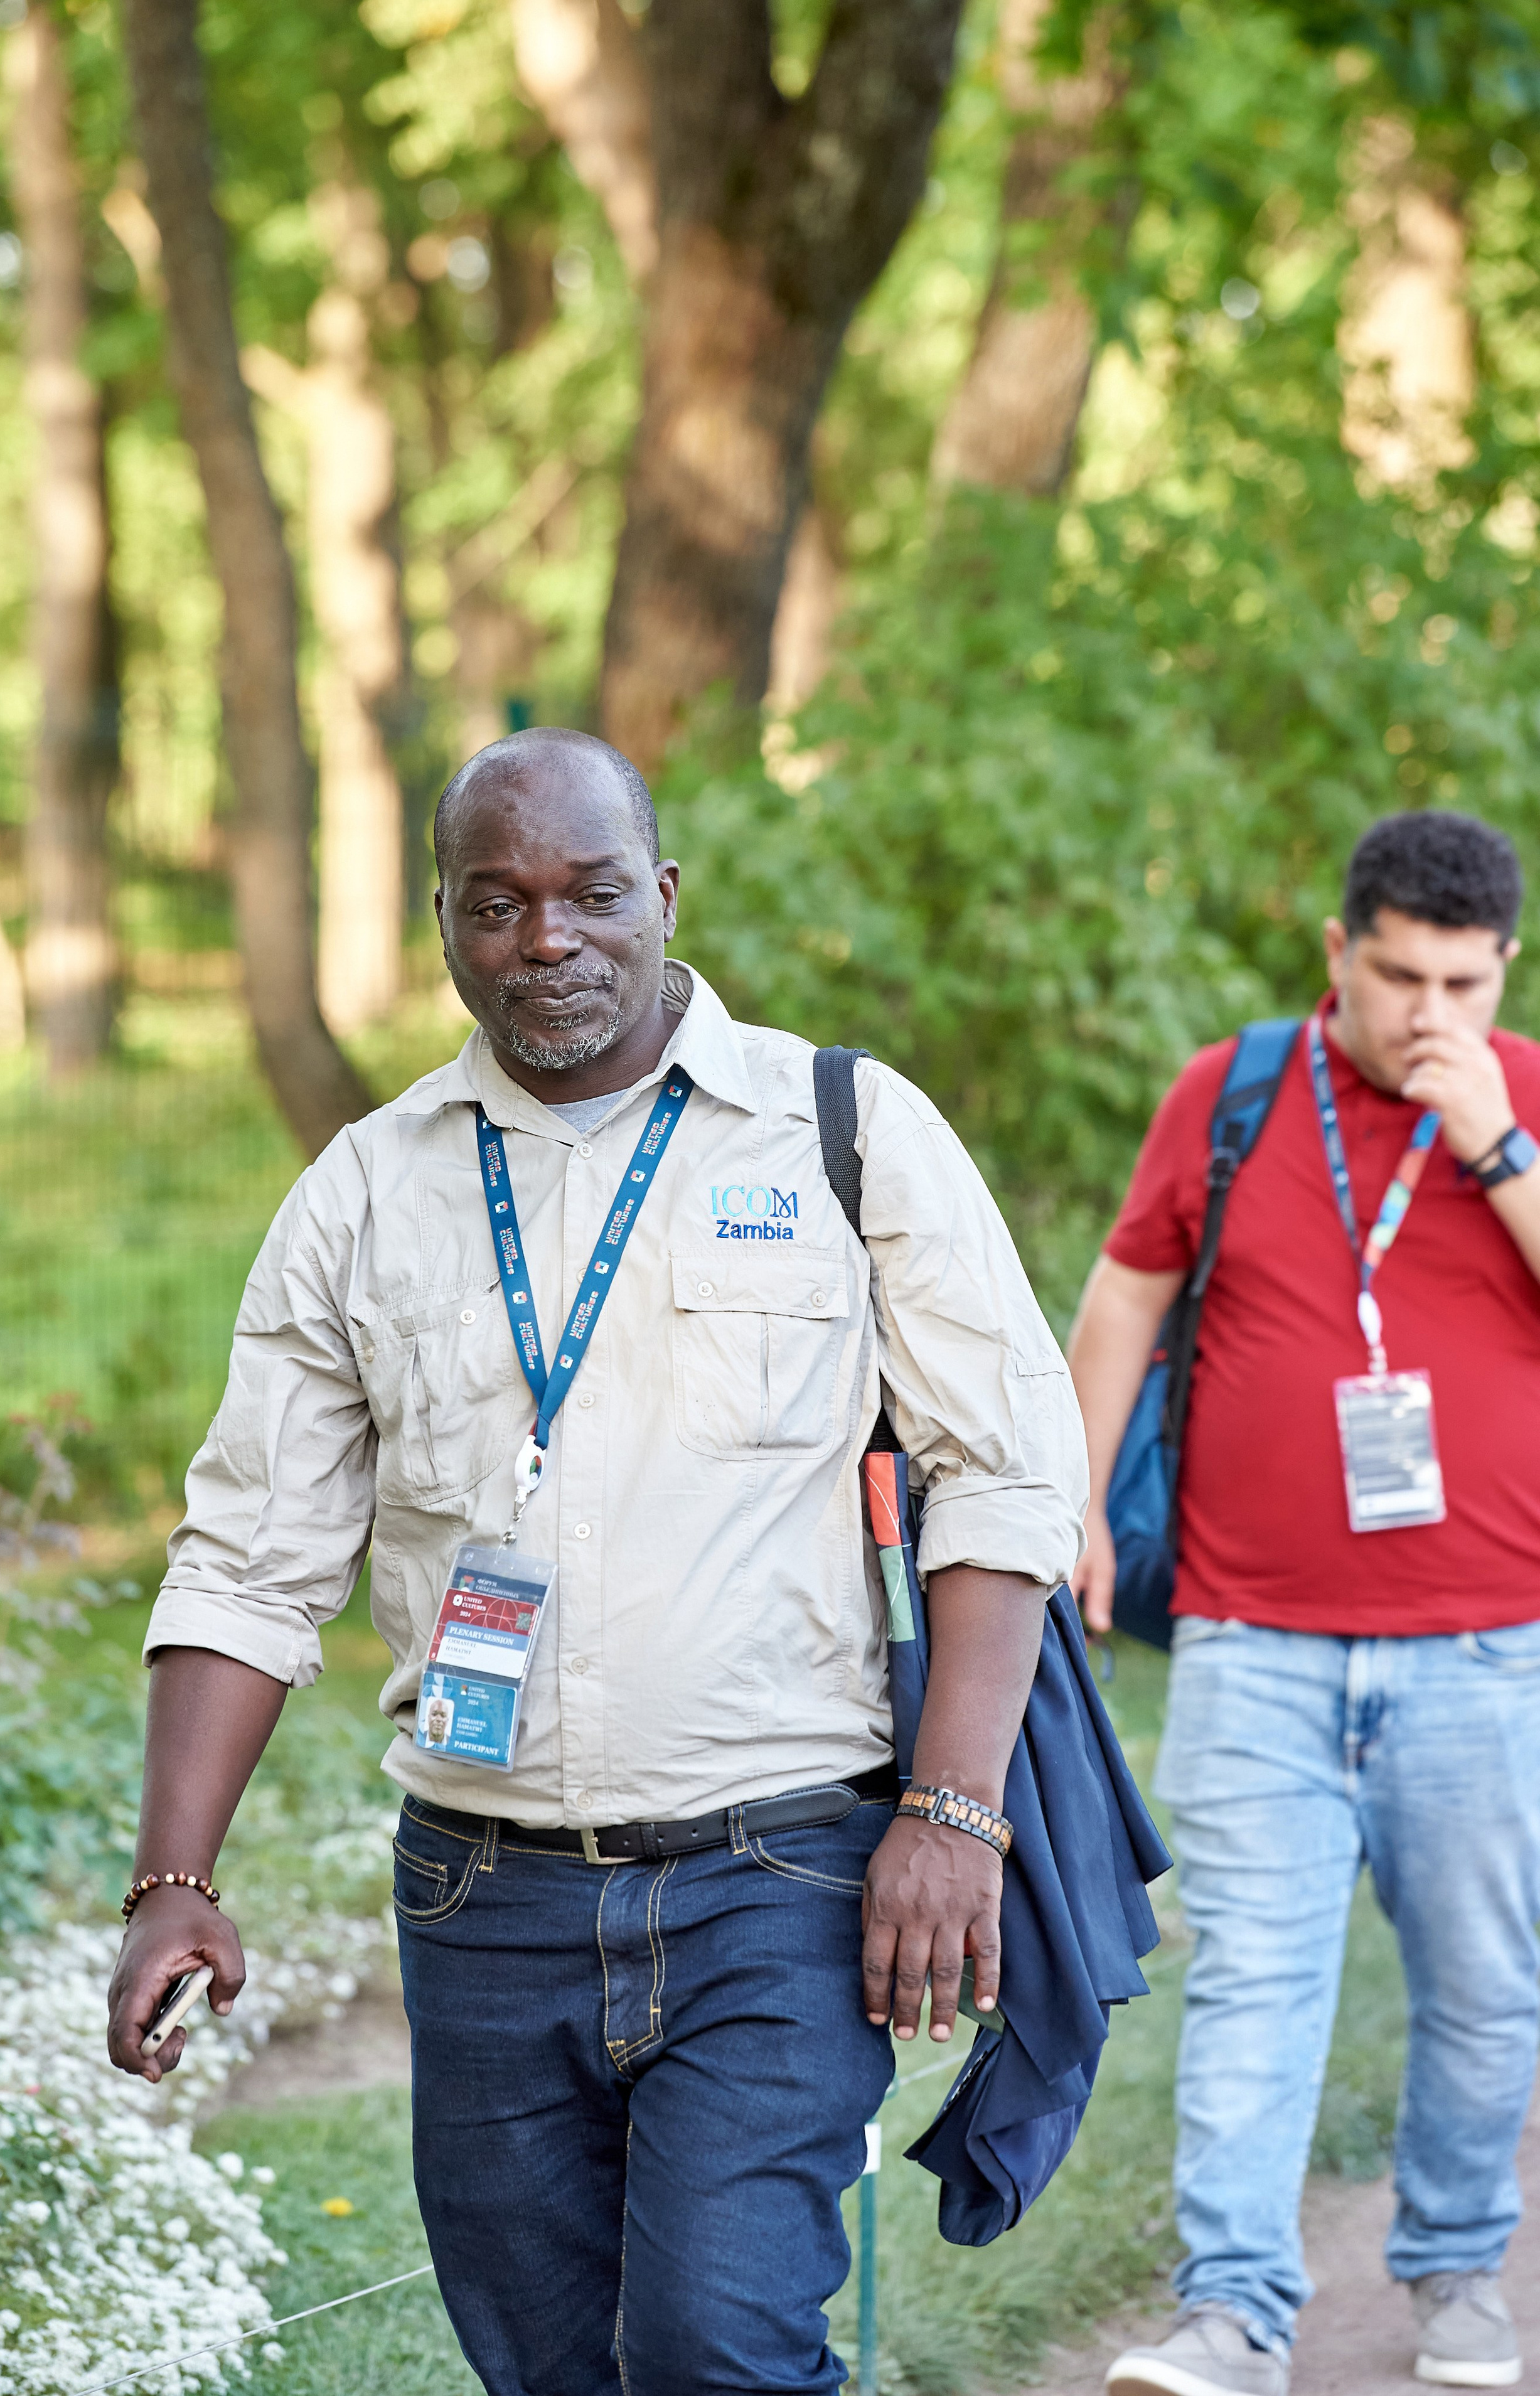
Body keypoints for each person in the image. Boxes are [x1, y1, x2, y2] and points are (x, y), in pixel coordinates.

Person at [105, 727, 1089, 2396]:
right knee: (549, 2366)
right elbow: (250, 1557)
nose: (547, 939)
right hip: (482, 1901)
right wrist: (173, 1878)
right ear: (443, 921)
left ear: (665, 894)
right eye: (497, 903)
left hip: (777, 1877)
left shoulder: (841, 1131)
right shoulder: (367, 1191)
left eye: (590, 893)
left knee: (719, 2347)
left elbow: (1002, 1477)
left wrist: (952, 1807)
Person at [1068, 810, 1540, 2396]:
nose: (1427, 1015)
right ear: (1338, 951)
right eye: (1397, 975)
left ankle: (1460, 2277)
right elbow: (1130, 1281)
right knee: (1255, 1982)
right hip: (1249, 1635)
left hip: (1484, 1648)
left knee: (1482, 1990)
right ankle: (1231, 2316)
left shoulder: (1522, 1097)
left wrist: (1494, 1144)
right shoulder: (1234, 1089)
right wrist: (1071, 1492)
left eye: (1461, 984)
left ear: (1501, 971)